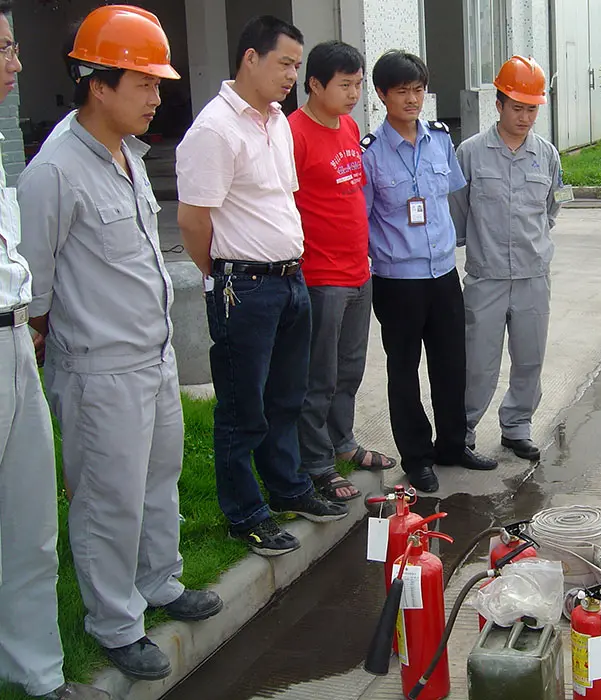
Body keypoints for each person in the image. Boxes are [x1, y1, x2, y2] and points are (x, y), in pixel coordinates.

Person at [17, 5, 223, 682]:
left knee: (158, 481)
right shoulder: (55, 171)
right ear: (98, 84)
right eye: (143, 83)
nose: (156, 97)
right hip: (99, 369)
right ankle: (113, 622)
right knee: (108, 500)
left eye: (158, 83)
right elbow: (36, 288)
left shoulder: (128, 156)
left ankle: (158, 580)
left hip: (153, 357)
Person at [176, 16, 345, 558]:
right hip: (243, 285)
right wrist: (220, 274)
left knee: (286, 398)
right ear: (250, 57)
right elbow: (193, 220)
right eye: (284, 63)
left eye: (297, 65)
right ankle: (245, 513)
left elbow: (279, 200)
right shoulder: (215, 129)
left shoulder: (276, 121)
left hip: (290, 278)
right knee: (242, 408)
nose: (293, 75)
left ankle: (288, 487)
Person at [0, 5, 111, 699]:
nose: (17, 62)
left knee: (31, 521)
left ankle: (35, 673)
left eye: (14, 46)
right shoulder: (56, 164)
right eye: (4, 49)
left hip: (13, 338)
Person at [362, 50, 498, 494]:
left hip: (442, 273)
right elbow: (363, 219)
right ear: (381, 94)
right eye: (402, 91)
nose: (412, 99)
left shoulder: (440, 139)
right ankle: (417, 457)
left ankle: (453, 445)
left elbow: (452, 198)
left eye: (418, 90)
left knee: (451, 364)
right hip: (397, 280)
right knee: (404, 371)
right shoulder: (370, 153)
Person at [289, 40, 396, 504]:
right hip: (320, 276)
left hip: (358, 271)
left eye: (358, 85)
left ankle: (343, 442)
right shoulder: (293, 134)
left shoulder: (349, 126)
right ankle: (315, 462)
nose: (354, 94)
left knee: (350, 369)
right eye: (345, 85)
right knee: (319, 375)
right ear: (315, 84)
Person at [450, 55, 565, 462]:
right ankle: (462, 430)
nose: (525, 117)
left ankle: (517, 427)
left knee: (530, 359)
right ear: (498, 105)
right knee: (477, 363)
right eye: (517, 107)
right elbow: (458, 209)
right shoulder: (470, 153)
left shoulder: (547, 155)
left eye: (532, 109)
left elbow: (552, 208)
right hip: (487, 277)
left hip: (534, 277)